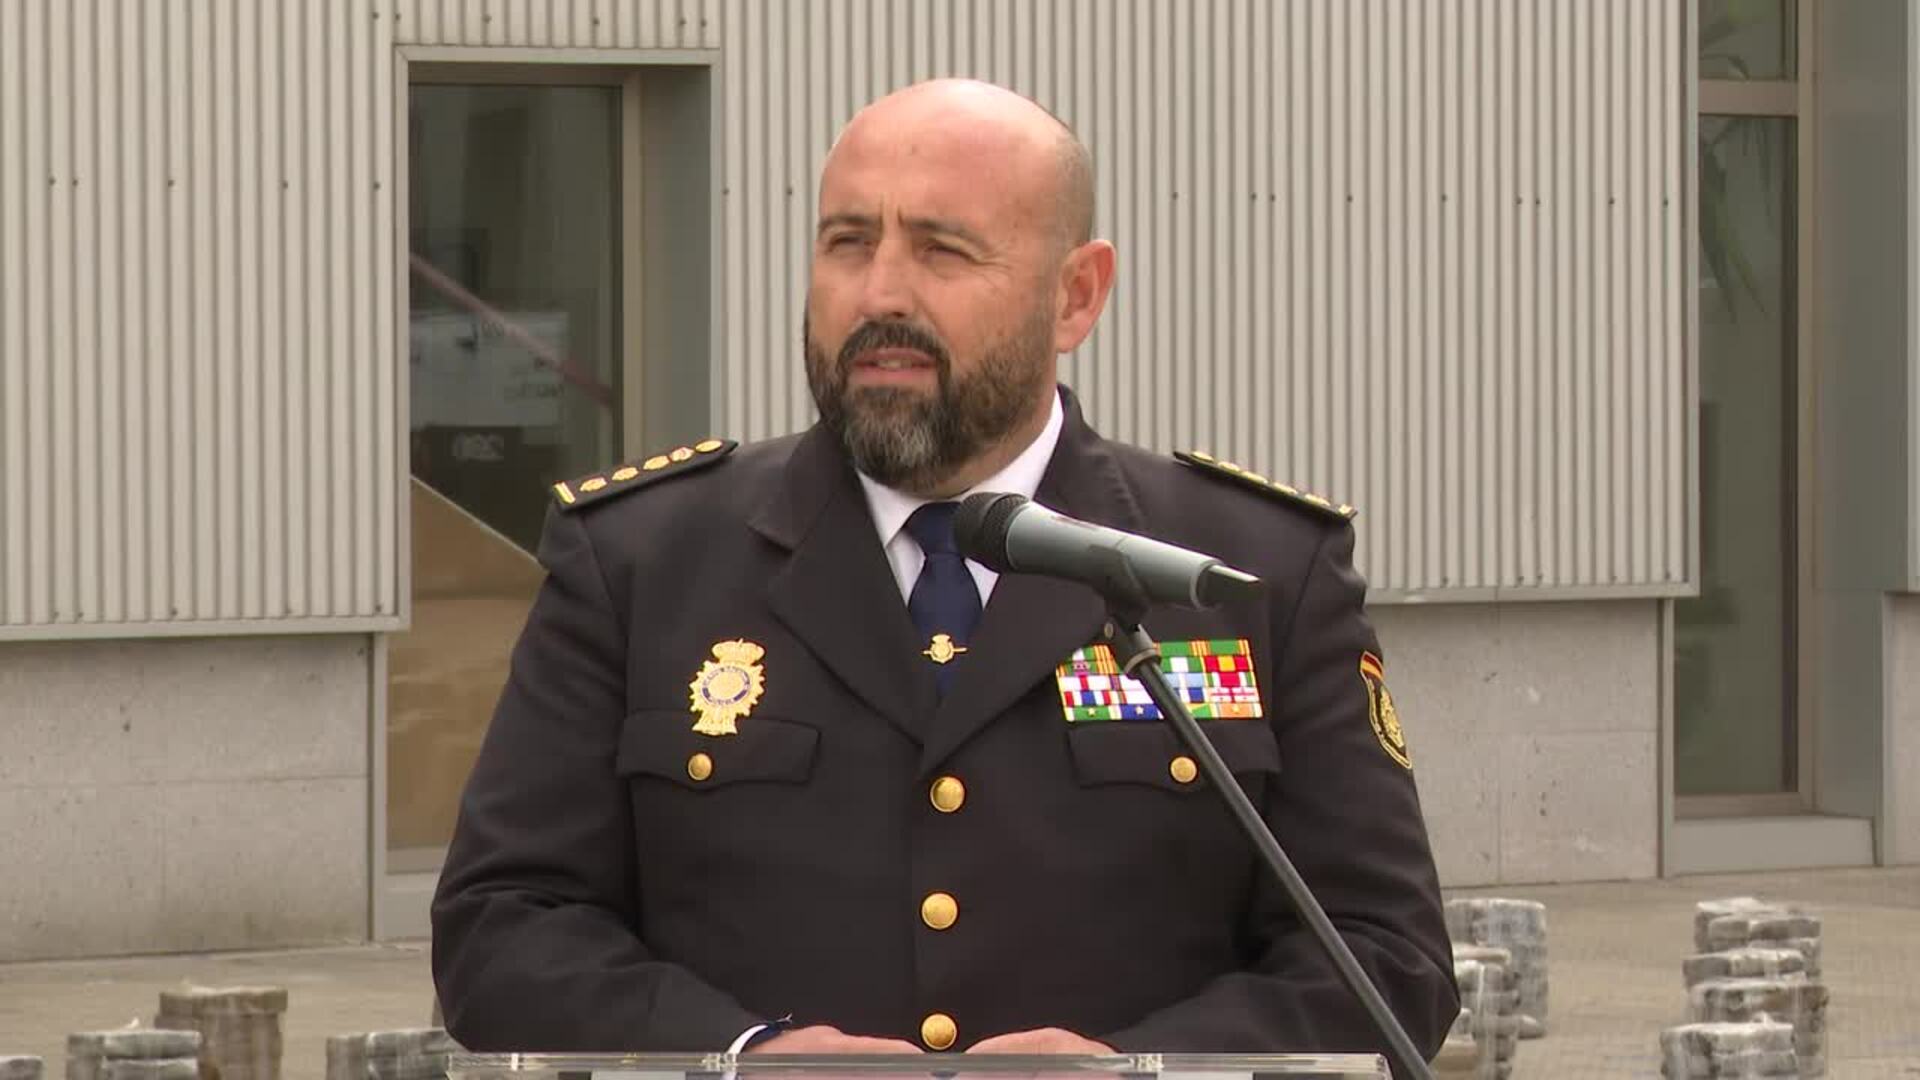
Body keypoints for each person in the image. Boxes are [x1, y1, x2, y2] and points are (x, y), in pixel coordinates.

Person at [432, 78, 1459, 1058]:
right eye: (848, 242)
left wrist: (1137, 1071)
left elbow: (1386, 960)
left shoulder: (1253, 571)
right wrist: (745, 1058)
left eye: (942, 250)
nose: (880, 292)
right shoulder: (642, 560)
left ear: (1076, 296)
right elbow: (502, 928)